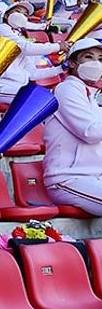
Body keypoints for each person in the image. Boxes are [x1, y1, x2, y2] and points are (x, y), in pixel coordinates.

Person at [44, 38, 102, 214]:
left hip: (94, 177)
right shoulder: (66, 89)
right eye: (88, 57)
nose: (96, 63)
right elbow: (91, 133)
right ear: (73, 63)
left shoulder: (91, 94)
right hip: (67, 179)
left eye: (100, 59)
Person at [0, 1, 63, 105]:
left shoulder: (22, 39)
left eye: (25, 15)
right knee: (39, 100)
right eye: (17, 11)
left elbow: (32, 74)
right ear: (6, 15)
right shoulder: (1, 29)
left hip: (18, 87)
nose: (21, 16)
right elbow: (26, 48)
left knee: (52, 99)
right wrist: (58, 46)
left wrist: (61, 68)